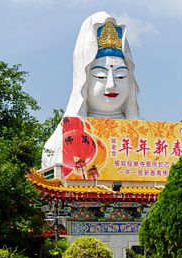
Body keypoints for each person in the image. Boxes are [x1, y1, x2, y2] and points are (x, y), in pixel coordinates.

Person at [41, 11, 140, 170]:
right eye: (100, 76)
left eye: (120, 76)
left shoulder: (147, 137)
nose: (111, 85)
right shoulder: (61, 141)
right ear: (84, 80)